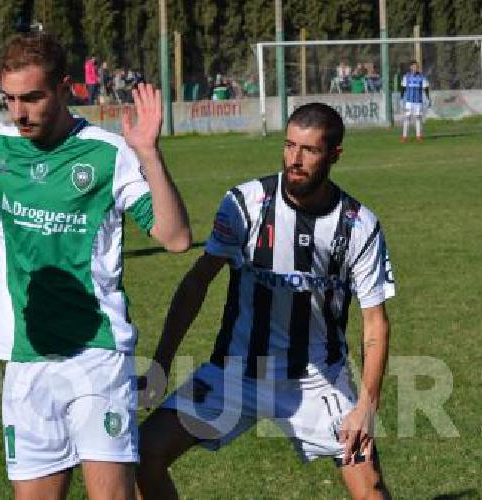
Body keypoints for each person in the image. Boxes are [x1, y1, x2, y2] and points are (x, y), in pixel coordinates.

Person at [0, 32, 192, 500]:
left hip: (97, 355)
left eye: (33, 98)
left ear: (65, 88)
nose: (20, 112)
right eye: (11, 99)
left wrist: (148, 153)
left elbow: (176, 237)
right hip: (24, 356)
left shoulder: (107, 153)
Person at [135, 102, 396, 500]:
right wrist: (161, 364)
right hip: (235, 372)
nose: (295, 159)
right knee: (143, 455)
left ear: (335, 155)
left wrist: (366, 406)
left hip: (315, 380)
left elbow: (375, 322)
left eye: (309, 150)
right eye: (289, 146)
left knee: (370, 487)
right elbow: (196, 283)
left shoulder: (357, 224)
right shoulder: (247, 203)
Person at [399, 60, 430, 142]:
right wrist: (401, 98)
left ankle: (418, 136)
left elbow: (426, 88)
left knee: (418, 118)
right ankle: (404, 136)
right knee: (407, 117)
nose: (415, 68)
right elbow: (403, 87)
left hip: (418, 101)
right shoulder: (406, 76)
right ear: (410, 67)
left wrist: (428, 98)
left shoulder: (422, 77)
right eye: (414, 66)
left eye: (416, 66)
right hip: (409, 101)